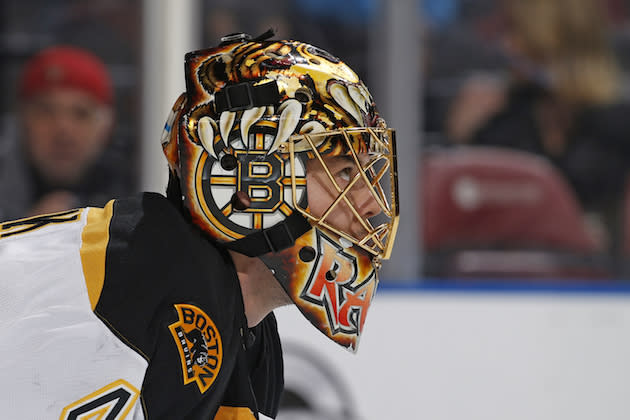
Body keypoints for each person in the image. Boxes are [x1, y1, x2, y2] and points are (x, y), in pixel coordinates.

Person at [0, 31, 399, 419]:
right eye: (345, 173)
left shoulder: (253, 339)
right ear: (250, 182)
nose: (368, 204)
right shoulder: (144, 275)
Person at [445, 0, 630, 247]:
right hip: (514, 272)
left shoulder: (618, 125)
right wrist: (461, 136)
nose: (507, 46)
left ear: (552, 40)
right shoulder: (508, 114)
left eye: (516, 32)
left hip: (601, 278)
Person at [0, 45, 122, 221]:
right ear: (22, 121)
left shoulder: (140, 188)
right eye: (46, 112)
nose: (63, 130)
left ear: (106, 127)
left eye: (81, 114)